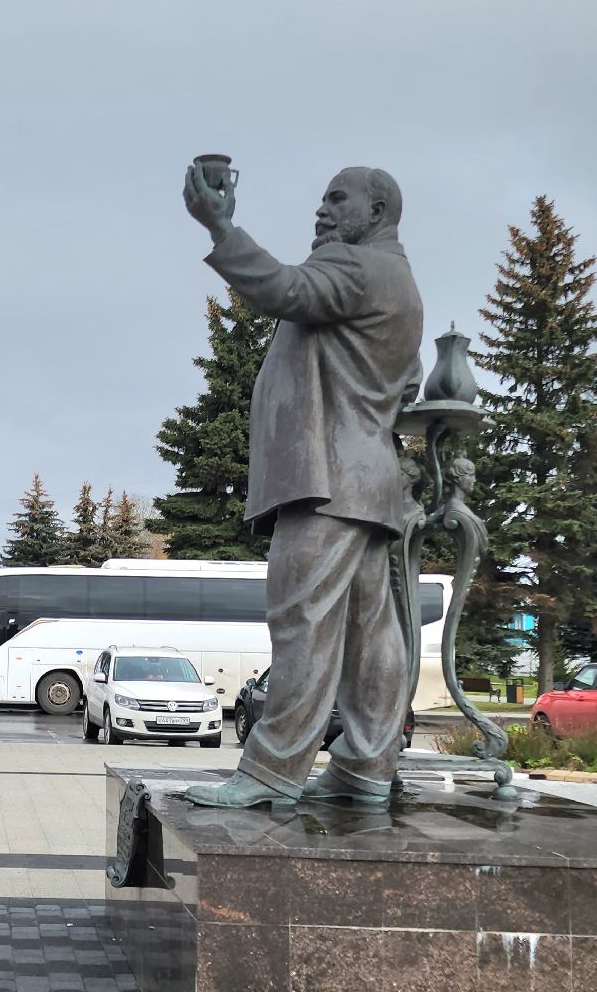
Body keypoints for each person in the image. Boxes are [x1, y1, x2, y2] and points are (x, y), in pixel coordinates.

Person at [181, 161, 424, 809]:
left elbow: (283, 289)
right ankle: (366, 766)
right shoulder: (398, 280)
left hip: (330, 482)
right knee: (371, 631)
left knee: (302, 623)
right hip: (369, 482)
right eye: (320, 199)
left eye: (336, 199)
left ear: (375, 213)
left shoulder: (355, 268)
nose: (321, 211)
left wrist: (220, 224)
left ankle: (270, 770)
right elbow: (407, 387)